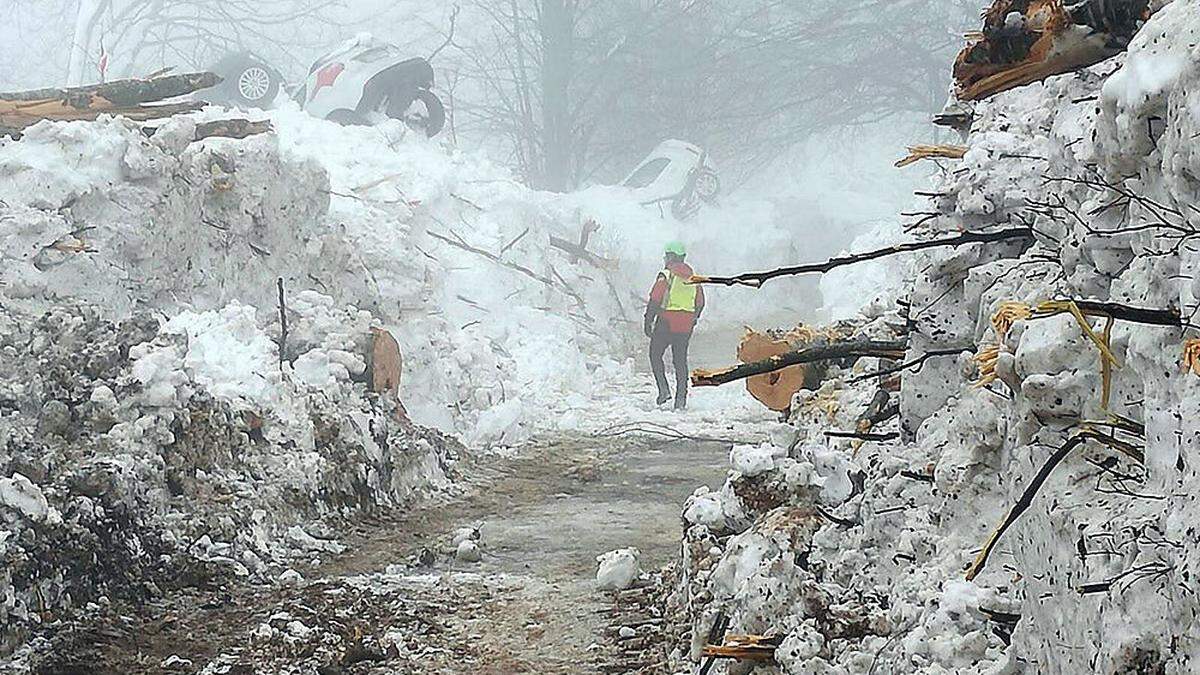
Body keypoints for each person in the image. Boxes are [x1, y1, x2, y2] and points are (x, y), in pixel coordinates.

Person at [644, 241, 705, 410]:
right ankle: (681, 400)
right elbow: (700, 303)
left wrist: (648, 321)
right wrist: (693, 319)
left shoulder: (666, 275)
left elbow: (655, 299)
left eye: (666, 256)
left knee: (655, 354)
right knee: (680, 361)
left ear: (670, 257)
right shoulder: (693, 278)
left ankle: (664, 390)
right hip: (685, 326)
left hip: (665, 322)